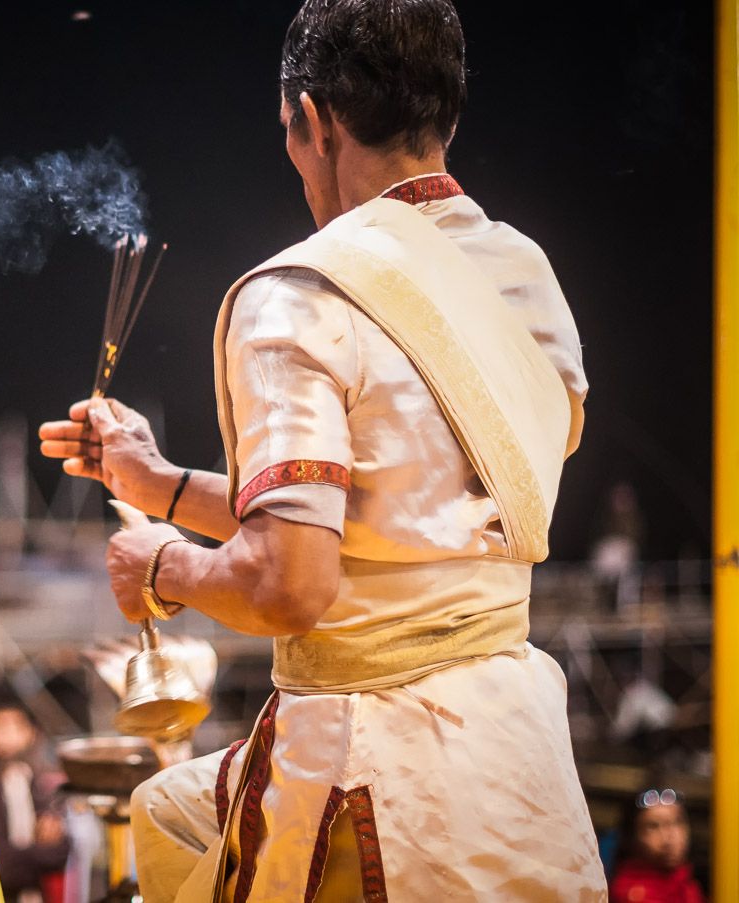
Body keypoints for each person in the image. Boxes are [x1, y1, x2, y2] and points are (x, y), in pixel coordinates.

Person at [39, 0, 605, 899]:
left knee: (173, 818)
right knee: (170, 806)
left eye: (291, 132)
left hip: (374, 771)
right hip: (518, 746)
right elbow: (392, 516)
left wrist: (162, 568)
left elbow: (288, 584)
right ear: (446, 116)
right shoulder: (524, 272)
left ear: (314, 120)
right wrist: (158, 482)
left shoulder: (301, 292)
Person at [0, 698, 68, 903]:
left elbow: (62, 852)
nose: (8, 735)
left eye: (17, 725)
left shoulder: (31, 777)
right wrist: (41, 851)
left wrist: (38, 853)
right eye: (0, 726)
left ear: (30, 732)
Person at [610, 790, 706, 903]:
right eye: (653, 826)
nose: (668, 837)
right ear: (632, 837)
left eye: (676, 822)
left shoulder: (687, 885)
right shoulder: (631, 894)